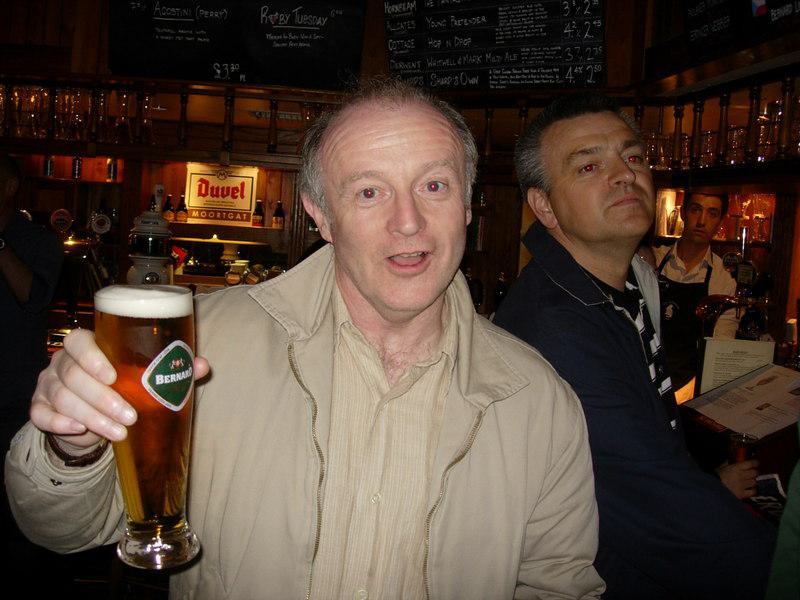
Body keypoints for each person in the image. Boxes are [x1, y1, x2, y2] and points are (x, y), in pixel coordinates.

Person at [5, 80, 604, 599]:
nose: (408, 222)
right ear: (319, 213)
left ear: (468, 205)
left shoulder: (541, 402)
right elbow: (62, 529)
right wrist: (72, 450)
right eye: (369, 191)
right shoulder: (200, 346)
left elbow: (557, 585)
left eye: (434, 186)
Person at [494, 92, 776, 600]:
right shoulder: (559, 328)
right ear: (544, 206)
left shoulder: (616, 288)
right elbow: (659, 516)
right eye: (589, 166)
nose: (625, 174)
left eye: (634, 156)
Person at [0, 154, 64, 574]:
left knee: (16, 509)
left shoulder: (38, 241)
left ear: (9, 187)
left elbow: (35, 297)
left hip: (14, 393)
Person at [652, 192, 738, 390]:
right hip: (645, 378)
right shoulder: (654, 259)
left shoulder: (723, 279)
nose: (702, 221)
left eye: (712, 213)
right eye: (696, 210)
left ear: (720, 221)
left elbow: (720, 346)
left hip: (689, 386)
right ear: (683, 213)